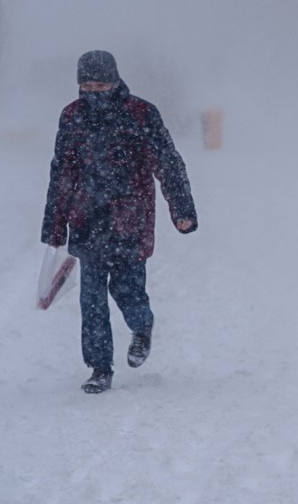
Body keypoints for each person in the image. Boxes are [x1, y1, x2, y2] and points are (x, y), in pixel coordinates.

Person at [42, 50, 197, 394]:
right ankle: (100, 368)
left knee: (127, 290)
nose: (93, 92)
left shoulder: (141, 114)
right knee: (92, 299)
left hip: (132, 219)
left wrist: (182, 210)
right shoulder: (72, 117)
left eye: (100, 85)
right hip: (87, 219)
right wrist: (55, 225)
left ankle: (142, 326)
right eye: (86, 85)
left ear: (115, 81)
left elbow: (168, 163)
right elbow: (62, 172)